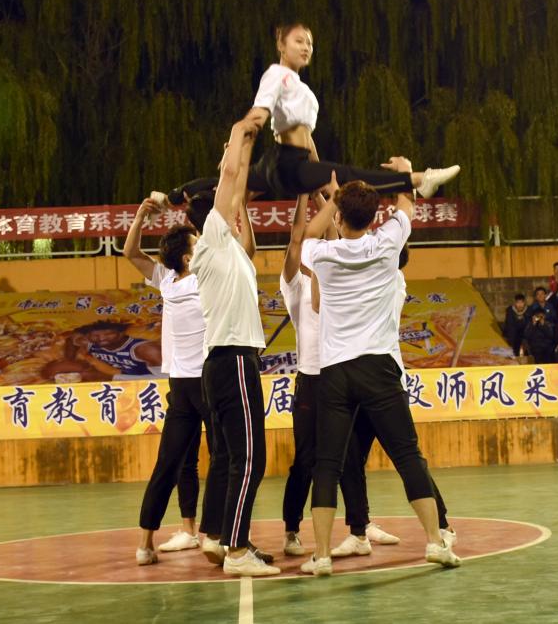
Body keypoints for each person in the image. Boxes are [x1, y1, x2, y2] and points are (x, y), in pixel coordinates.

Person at [300, 164, 460, 576]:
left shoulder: (322, 254)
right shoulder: (388, 243)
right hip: (379, 367)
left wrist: (332, 196)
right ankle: (435, 541)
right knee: (407, 455)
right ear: (374, 218)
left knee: (327, 463)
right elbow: (406, 204)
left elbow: (308, 234)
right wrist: (406, 174)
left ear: (339, 217)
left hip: (335, 371)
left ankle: (321, 556)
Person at [277, 191, 404, 560]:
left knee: (349, 457)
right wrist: (312, 195)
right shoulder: (296, 284)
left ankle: (360, 526)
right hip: (311, 380)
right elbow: (298, 240)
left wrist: (333, 198)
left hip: (341, 373)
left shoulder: (336, 272)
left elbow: (335, 239)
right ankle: (291, 528)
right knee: (306, 459)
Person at [220, 23, 460, 202]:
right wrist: (236, 143)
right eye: (299, 41)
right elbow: (257, 115)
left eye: (309, 43)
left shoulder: (303, 90)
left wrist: (319, 175)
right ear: (281, 46)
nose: (306, 47)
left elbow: (307, 139)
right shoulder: (276, 74)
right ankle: (420, 179)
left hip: (292, 163)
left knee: (217, 187)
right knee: (348, 174)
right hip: (284, 163)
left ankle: (191, 194)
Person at [188, 121, 277, 577]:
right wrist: (240, 134)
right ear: (214, 218)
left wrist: (241, 169)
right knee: (250, 459)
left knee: (228, 457)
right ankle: (238, 551)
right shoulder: (211, 240)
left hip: (225, 362)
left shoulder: (231, 253)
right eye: (229, 209)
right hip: (234, 360)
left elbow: (245, 227)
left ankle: (219, 535)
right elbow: (229, 182)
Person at [125, 197, 212, 565]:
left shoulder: (174, 280)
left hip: (185, 385)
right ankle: (213, 535)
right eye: (197, 241)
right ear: (189, 258)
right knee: (212, 460)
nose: (202, 243)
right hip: (202, 384)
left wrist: (141, 217)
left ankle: (149, 543)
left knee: (170, 464)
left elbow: (132, 252)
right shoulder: (196, 279)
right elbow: (132, 251)